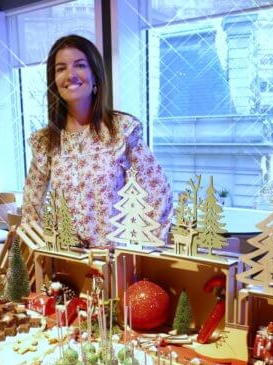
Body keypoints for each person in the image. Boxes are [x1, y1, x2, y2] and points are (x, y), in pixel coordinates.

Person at [22, 35, 172, 248]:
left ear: (95, 75)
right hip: (68, 265)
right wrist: (42, 249)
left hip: (115, 265)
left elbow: (158, 191)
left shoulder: (121, 130)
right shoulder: (46, 142)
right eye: (61, 68)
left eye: (80, 65)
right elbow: (31, 205)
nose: (70, 75)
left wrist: (144, 251)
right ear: (54, 82)